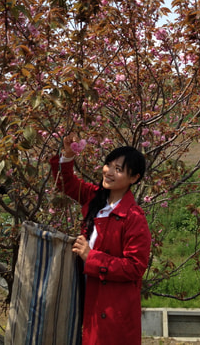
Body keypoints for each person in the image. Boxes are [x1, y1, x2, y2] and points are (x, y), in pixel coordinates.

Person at [50, 134, 151, 345]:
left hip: (113, 308)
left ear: (134, 178)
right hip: (88, 295)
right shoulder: (95, 197)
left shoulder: (133, 218)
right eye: (108, 164)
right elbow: (66, 184)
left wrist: (91, 257)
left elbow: (134, 267)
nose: (109, 172)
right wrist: (68, 155)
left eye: (119, 169)